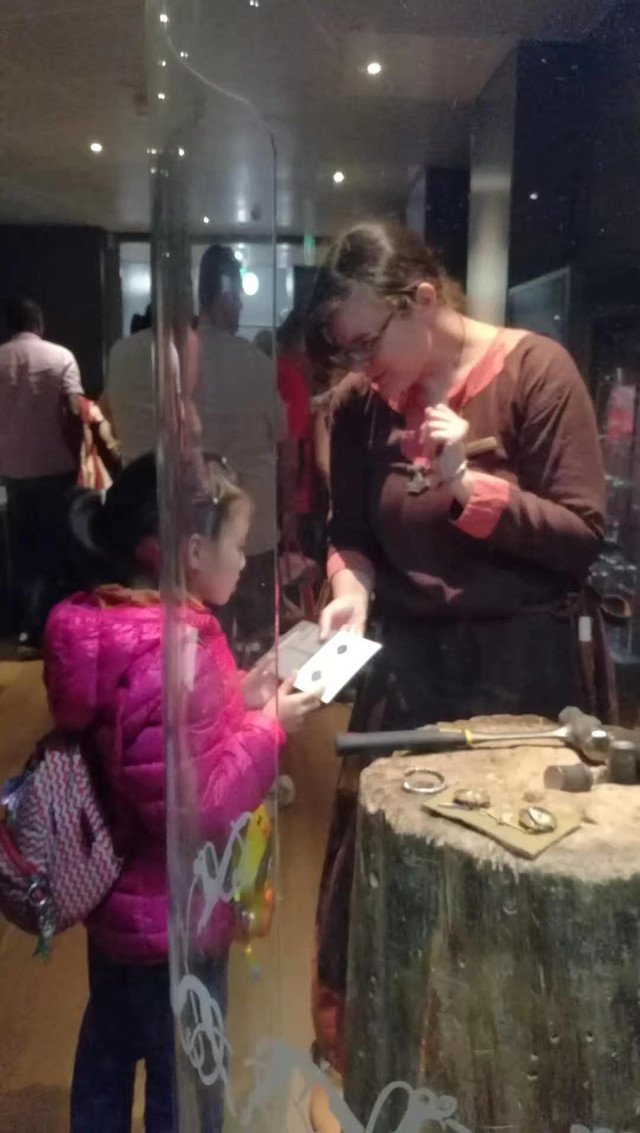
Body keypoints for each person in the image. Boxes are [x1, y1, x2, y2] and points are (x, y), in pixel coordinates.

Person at [304, 220, 614, 1071]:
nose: (360, 364)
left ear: (422, 301)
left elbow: (582, 536)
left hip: (521, 672)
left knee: (511, 881)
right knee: (388, 886)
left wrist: (467, 486)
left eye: (367, 342)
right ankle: (387, 1071)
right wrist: (351, 588)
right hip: (409, 669)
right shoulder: (364, 407)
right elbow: (348, 531)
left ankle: (503, 1079)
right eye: (347, 348)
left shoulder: (536, 372)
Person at [43, 453, 320, 1132]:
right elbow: (196, 807)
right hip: (175, 921)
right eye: (238, 544)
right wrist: (268, 727)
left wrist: (239, 697)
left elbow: (163, 750)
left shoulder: (116, 630)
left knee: (107, 1056)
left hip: (118, 912)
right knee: (188, 1083)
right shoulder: (175, 651)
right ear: (193, 551)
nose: (246, 562)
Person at [194, 245, 287, 652]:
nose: (243, 306)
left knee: (209, 641)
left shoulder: (179, 356)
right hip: (255, 523)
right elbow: (282, 434)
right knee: (259, 638)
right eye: (238, 297)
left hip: (201, 527)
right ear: (226, 294)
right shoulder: (254, 361)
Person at [0, 296, 83, 655]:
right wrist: (76, 453)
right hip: (56, 470)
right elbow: (76, 410)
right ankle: (45, 631)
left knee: (22, 554)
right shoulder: (61, 357)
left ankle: (23, 628)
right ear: (39, 324)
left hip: (13, 473)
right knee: (55, 553)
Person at [101, 304, 156, 465]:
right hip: (163, 460)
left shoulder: (119, 349)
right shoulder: (164, 346)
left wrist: (121, 435)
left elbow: (104, 404)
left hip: (130, 459)